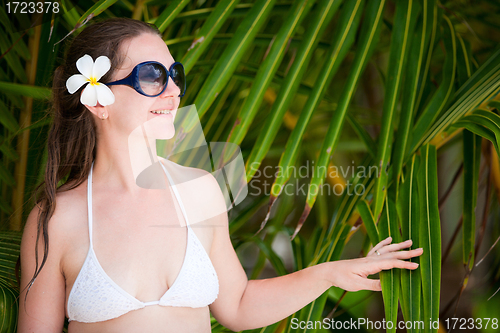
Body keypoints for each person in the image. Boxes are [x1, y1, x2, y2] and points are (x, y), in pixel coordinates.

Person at [17, 17, 423, 333]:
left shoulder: (199, 191)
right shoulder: (57, 219)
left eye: (174, 74)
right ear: (98, 102)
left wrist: (331, 273)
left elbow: (238, 305)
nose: (173, 90)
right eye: (152, 77)